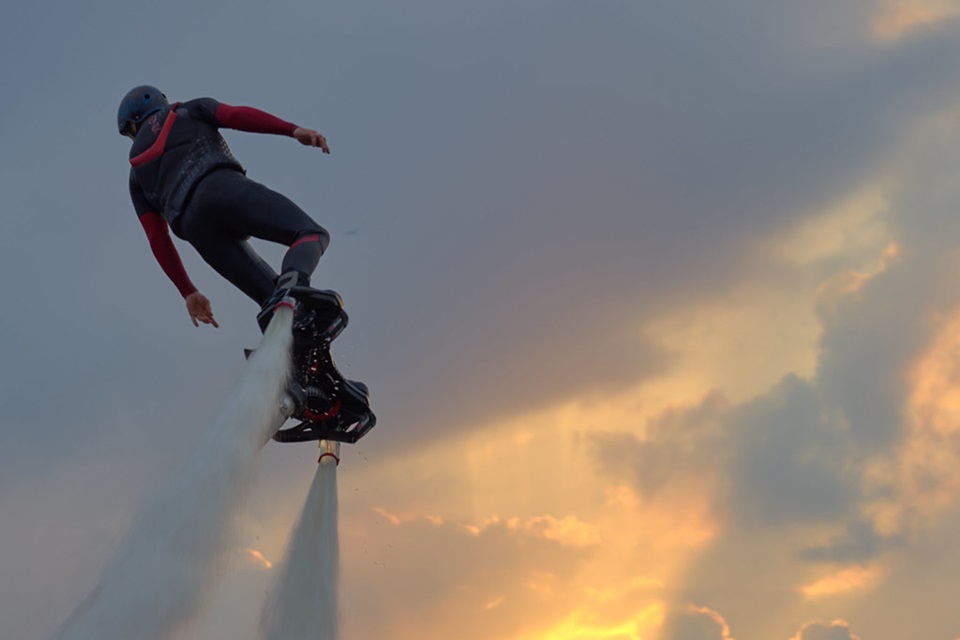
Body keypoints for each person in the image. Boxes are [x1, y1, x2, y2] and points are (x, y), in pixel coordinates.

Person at [118, 84, 336, 331]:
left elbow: (158, 238)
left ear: (133, 126)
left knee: (273, 300)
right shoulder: (187, 110)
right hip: (221, 187)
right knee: (310, 234)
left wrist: (187, 291)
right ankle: (294, 285)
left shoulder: (135, 176)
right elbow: (235, 116)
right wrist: (292, 130)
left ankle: (294, 350)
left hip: (196, 231)